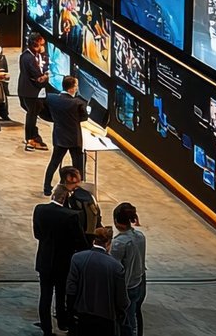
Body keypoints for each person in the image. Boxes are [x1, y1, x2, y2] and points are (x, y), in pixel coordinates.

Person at [35, 183, 90, 335]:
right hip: (63, 263)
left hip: (45, 261)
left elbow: (37, 234)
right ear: (65, 198)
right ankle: (62, 323)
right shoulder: (72, 216)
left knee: (45, 296)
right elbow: (80, 243)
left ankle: (47, 329)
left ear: (53, 195)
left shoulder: (39, 209)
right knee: (62, 294)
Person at [67, 227, 130, 336]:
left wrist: (71, 312)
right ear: (108, 244)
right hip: (106, 318)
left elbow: (71, 289)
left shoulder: (77, 258)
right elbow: (121, 299)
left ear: (93, 241)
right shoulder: (116, 266)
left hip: (83, 315)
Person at [42, 75, 90, 195]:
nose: (77, 88)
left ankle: (47, 187)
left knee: (54, 162)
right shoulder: (78, 103)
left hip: (59, 136)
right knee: (78, 164)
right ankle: (78, 188)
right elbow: (84, 117)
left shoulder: (51, 98)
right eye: (76, 86)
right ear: (72, 88)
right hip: (74, 138)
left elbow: (43, 110)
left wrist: (54, 119)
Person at [110, 203, 147, 336]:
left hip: (126, 287)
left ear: (116, 221)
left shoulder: (119, 243)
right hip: (140, 281)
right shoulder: (141, 236)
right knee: (136, 314)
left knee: (125, 321)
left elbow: (114, 268)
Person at [20, 34, 53, 152]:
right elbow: (39, 77)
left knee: (32, 115)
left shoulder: (32, 55)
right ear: (35, 45)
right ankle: (30, 139)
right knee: (32, 116)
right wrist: (47, 76)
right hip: (30, 92)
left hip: (32, 91)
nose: (44, 47)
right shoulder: (28, 58)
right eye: (42, 44)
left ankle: (32, 136)